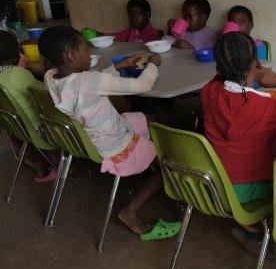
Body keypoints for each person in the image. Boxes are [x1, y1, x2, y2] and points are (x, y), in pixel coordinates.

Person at [38, 26, 180, 240]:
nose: (89, 54)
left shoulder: (51, 77)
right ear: (70, 55)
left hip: (97, 132)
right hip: (115, 144)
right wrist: (153, 64)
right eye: (85, 49)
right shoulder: (88, 82)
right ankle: (130, 212)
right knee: (166, 165)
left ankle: (143, 160)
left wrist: (117, 66)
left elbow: (89, 85)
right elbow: (143, 84)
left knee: (150, 119)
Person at [201, 31, 276, 249]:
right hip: (246, 190)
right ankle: (264, 229)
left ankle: (251, 227)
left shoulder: (208, 91)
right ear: (256, 63)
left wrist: (249, 81)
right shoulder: (266, 109)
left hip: (216, 182)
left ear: (218, 67)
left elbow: (232, 95)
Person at [0, 30, 57, 181]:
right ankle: (58, 163)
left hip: (17, 130)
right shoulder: (16, 75)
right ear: (15, 55)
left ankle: (39, 163)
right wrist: (48, 72)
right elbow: (45, 93)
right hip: (40, 132)